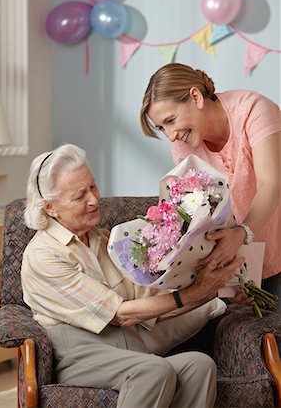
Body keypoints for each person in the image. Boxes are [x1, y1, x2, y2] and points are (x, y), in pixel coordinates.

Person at [21, 143, 243, 408]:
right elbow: (120, 314)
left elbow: (153, 300)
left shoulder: (106, 241)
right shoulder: (44, 255)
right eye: (79, 195)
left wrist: (220, 289)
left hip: (129, 347)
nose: (93, 199)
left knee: (200, 365)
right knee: (152, 371)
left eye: (92, 187)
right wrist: (195, 294)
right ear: (50, 208)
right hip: (78, 354)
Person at [140, 62, 281, 309]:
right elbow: (205, 217)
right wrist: (231, 283)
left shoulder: (254, 110)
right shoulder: (183, 147)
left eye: (171, 120)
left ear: (195, 97)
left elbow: (272, 184)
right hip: (252, 259)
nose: (171, 135)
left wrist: (241, 234)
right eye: (162, 128)